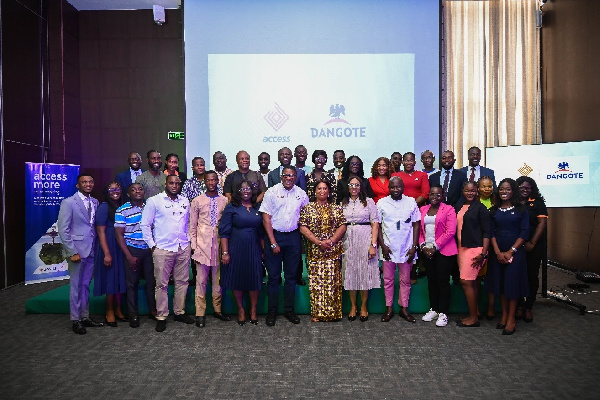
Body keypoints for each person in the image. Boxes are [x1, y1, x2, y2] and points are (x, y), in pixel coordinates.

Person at [141, 175, 195, 332]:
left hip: (182, 247)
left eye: (177, 183)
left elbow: (189, 223)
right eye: (171, 183)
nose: (174, 185)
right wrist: (152, 246)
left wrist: (189, 241)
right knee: (162, 284)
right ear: (165, 184)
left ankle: (179, 312)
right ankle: (162, 315)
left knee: (182, 282)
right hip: (162, 248)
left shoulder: (185, 201)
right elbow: (145, 225)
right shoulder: (154, 201)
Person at [260, 165, 309, 326]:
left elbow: (305, 217)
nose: (289, 178)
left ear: (296, 177)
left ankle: (289, 310)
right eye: (286, 175)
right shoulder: (272, 192)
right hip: (275, 237)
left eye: (292, 176)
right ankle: (272, 312)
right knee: (273, 278)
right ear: (282, 176)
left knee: (290, 277)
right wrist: (273, 242)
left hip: (293, 238)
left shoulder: (301, 194)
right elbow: (266, 218)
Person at [57, 173, 104, 334]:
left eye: (90, 181)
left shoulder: (95, 202)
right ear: (78, 185)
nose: (88, 184)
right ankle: (75, 320)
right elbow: (63, 229)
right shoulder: (68, 203)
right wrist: (72, 252)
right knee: (76, 286)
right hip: (76, 251)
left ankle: (85, 317)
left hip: (91, 249)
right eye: (84, 182)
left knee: (85, 286)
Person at [486, 178, 530, 335]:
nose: (504, 192)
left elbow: (524, 232)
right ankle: (504, 315)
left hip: (516, 253)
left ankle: (511, 319)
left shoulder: (521, 210)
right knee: (502, 286)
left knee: (512, 286)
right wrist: (498, 252)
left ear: (513, 191)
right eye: (502, 189)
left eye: (508, 189)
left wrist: (511, 251)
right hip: (497, 252)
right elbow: (491, 233)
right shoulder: (494, 210)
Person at [299, 180, 347, 322]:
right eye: (319, 188)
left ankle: (333, 313)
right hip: (315, 252)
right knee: (317, 284)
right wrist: (318, 242)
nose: (322, 191)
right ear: (314, 191)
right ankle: (318, 314)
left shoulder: (336, 208)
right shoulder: (307, 208)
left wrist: (331, 241)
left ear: (329, 191)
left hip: (333, 251)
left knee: (333, 283)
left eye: (325, 188)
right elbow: (303, 227)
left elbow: (342, 226)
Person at [219, 180, 265, 325]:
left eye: (249, 189)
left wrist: (263, 251)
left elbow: (261, 232)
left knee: (254, 278)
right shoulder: (231, 207)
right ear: (237, 192)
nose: (246, 191)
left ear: (253, 192)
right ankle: (240, 310)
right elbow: (224, 232)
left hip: (254, 247)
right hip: (236, 247)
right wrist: (225, 252)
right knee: (237, 279)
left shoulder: (258, 207)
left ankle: (253, 310)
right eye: (242, 189)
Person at [188, 171, 230, 328]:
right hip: (202, 246)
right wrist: (194, 246)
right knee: (201, 281)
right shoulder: (197, 201)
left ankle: (218, 310)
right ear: (204, 182)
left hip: (219, 245)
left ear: (218, 181)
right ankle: (200, 313)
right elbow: (192, 226)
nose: (211, 182)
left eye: (214, 180)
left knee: (218, 281)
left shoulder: (224, 200)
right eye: (208, 180)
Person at [377, 177, 420, 323]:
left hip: (406, 248)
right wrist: (383, 246)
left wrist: (414, 247)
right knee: (388, 280)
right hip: (387, 248)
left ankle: (404, 308)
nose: (396, 190)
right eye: (393, 187)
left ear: (403, 187)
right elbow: (377, 225)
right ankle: (389, 308)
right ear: (389, 188)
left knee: (405, 280)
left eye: (398, 187)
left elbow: (416, 224)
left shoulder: (411, 202)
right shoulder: (382, 203)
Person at [114, 183, 156, 328]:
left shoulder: (150, 207)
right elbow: (119, 236)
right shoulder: (122, 210)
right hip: (132, 250)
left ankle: (153, 311)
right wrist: (129, 256)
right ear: (128, 194)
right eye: (133, 189)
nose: (137, 191)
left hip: (149, 250)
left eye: (140, 189)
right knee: (131, 284)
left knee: (151, 282)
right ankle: (133, 315)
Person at [341, 176, 380, 322]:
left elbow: (375, 223)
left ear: (361, 187)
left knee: (364, 273)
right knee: (351, 272)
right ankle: (353, 306)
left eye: (357, 185)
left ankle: (363, 306)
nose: (354, 187)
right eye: (351, 184)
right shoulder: (343, 203)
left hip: (365, 238)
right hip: (348, 240)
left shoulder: (369, 202)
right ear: (348, 187)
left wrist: (373, 245)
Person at [419, 185, 458, 327]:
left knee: (443, 281)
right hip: (426, 251)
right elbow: (420, 231)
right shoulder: (423, 209)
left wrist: (435, 246)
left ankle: (444, 313)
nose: (434, 197)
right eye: (432, 194)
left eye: (438, 195)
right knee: (432, 281)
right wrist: (423, 245)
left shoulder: (449, 209)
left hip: (444, 250)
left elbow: (450, 231)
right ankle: (434, 309)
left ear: (443, 196)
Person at [454, 181, 491, 327]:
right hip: (461, 249)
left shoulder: (481, 208)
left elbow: (487, 232)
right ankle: (475, 313)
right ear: (463, 191)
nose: (470, 193)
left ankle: (473, 318)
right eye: (467, 190)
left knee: (467, 282)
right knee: (472, 283)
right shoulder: (460, 206)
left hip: (475, 250)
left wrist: (483, 253)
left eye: (473, 191)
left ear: (477, 192)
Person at [93, 181, 127, 327]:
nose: (115, 191)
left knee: (120, 279)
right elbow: (100, 231)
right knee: (111, 280)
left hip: (121, 247)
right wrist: (107, 253)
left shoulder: (122, 206)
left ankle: (119, 309)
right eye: (111, 188)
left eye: (118, 188)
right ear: (106, 191)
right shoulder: (104, 207)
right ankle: (109, 311)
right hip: (109, 247)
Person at [516, 176, 548, 323]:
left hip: (533, 246)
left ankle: (528, 307)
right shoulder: (513, 203)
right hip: (516, 246)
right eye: (521, 187)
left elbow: (541, 224)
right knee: (517, 277)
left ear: (532, 189)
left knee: (531, 277)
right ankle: (519, 306)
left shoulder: (538, 203)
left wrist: (532, 243)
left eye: (527, 188)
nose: (524, 190)